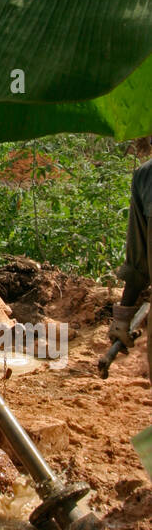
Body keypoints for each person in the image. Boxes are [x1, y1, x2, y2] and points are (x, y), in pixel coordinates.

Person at [109, 156, 152, 385]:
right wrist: (123, 317)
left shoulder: (146, 175)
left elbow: (138, 263)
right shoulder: (146, 176)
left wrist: (123, 317)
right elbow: (138, 263)